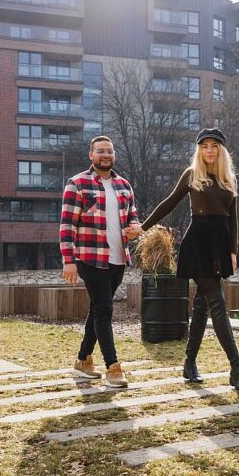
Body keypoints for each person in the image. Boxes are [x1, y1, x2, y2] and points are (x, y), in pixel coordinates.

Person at [128, 128, 239, 392]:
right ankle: (237, 368)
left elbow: (233, 219)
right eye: (204, 146)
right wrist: (143, 226)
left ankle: (189, 363)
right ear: (199, 150)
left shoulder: (228, 179)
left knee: (202, 306)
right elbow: (169, 203)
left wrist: (232, 252)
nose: (209, 150)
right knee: (217, 304)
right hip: (198, 243)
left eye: (214, 146)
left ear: (221, 150)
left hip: (219, 246)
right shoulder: (191, 175)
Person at [59, 135, 140, 388]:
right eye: (100, 151)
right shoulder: (78, 183)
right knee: (104, 309)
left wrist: (136, 228)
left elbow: (133, 219)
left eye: (109, 151)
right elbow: (67, 226)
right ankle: (113, 368)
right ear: (91, 155)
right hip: (89, 257)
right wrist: (68, 261)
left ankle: (83, 360)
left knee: (97, 308)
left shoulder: (124, 185)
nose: (106, 155)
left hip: (118, 258)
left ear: (113, 155)